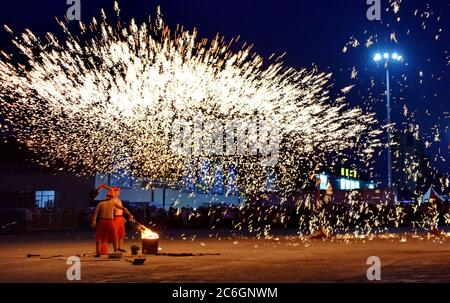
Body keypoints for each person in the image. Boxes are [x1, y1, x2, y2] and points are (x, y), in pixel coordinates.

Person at [91, 185, 133, 257]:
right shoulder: (113, 202)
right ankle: (115, 251)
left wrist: (94, 221)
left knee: (100, 236)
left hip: (103, 221)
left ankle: (99, 253)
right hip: (110, 221)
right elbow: (124, 209)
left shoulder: (101, 203)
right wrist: (130, 215)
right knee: (114, 236)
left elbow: (95, 213)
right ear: (112, 196)